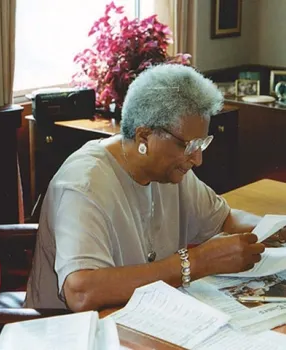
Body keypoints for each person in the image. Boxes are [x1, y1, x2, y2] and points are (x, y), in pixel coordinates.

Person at [25, 64, 266, 311]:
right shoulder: (84, 185)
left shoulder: (172, 172)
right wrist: (196, 262)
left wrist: (275, 227)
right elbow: (81, 292)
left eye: (201, 144)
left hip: (140, 319)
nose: (197, 159)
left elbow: (225, 220)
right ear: (144, 138)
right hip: (70, 332)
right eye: (188, 145)